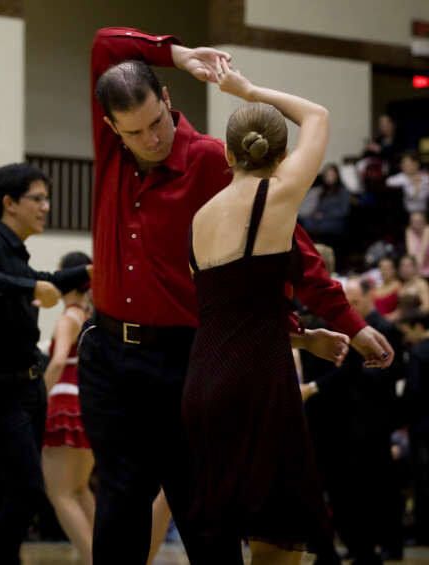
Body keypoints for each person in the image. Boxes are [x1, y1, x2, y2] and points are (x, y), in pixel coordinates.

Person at [81, 27, 393, 565]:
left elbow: (290, 250)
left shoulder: (210, 159)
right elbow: (105, 44)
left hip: (182, 358)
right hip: (108, 356)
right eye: (135, 131)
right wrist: (179, 54)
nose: (151, 138)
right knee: (118, 505)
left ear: (167, 100)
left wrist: (350, 322)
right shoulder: (111, 150)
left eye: (157, 121)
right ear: (111, 128)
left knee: (201, 509)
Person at [0, 163, 91, 565]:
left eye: (46, 199)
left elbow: (45, 278)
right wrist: (30, 286)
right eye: (38, 199)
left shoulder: (15, 251)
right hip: (0, 392)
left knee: (13, 496)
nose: (46, 207)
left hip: (26, 391)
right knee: (26, 491)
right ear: (10, 203)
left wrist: (88, 271)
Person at [303, 277, 405, 564]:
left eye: (356, 301)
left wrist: (319, 386)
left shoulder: (384, 329)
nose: (352, 307)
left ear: (370, 297)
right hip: (348, 420)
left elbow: (386, 373)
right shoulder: (343, 331)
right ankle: (361, 546)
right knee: (352, 490)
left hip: (375, 421)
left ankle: (386, 544)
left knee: (379, 487)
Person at [40, 251, 94, 564]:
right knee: (79, 489)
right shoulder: (89, 316)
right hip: (86, 403)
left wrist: (38, 398)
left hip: (64, 403)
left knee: (60, 494)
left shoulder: (69, 317)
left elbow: (58, 361)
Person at [398, 308, 429, 547]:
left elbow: (413, 391)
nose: (406, 338)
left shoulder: (418, 352)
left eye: (407, 332)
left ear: (418, 327)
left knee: (423, 481)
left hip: (423, 426)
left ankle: (423, 532)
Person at [406, 211, 429, 278]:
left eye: (419, 220)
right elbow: (411, 256)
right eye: (414, 221)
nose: (417, 223)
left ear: (425, 222)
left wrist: (415, 273)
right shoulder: (409, 231)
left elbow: (422, 253)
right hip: (417, 271)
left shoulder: (427, 230)